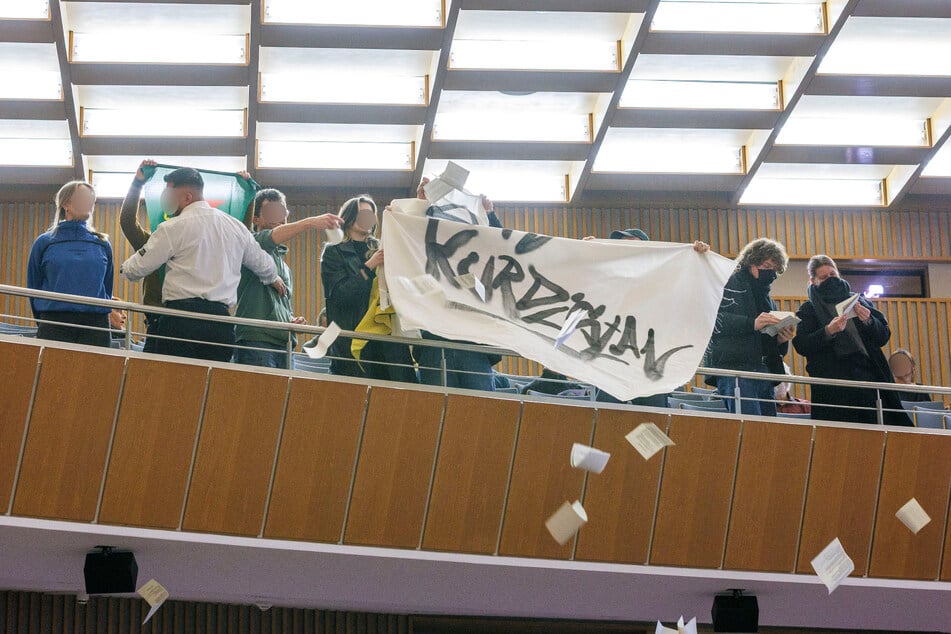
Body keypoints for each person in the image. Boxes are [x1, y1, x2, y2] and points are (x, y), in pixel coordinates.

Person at [120, 167, 284, 362]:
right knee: (212, 380)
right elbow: (265, 264)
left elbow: (135, 269)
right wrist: (273, 278)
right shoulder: (236, 227)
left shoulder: (172, 227)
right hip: (220, 324)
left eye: (169, 193)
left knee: (171, 379)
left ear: (187, 197)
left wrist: (124, 269)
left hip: (179, 321)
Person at [589, 227, 709, 407]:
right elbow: (586, 284)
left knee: (653, 418)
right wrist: (587, 253)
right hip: (614, 360)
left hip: (650, 362)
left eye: (633, 245)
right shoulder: (611, 276)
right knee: (605, 416)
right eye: (623, 246)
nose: (627, 250)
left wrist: (700, 258)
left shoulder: (664, 276)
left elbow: (692, 289)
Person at [792, 255, 910, 426]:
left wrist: (868, 321)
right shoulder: (809, 309)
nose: (830, 280)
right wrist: (828, 331)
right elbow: (802, 345)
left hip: (869, 375)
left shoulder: (858, 301)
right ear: (813, 280)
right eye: (824, 277)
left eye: (833, 275)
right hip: (834, 383)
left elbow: (883, 336)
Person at [233, 188, 343, 368]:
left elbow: (281, 304)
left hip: (284, 342)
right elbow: (272, 237)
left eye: (282, 211)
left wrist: (290, 319)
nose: (280, 217)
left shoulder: (284, 266)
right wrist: (310, 222)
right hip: (256, 338)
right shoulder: (252, 243)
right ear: (256, 219)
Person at [409, 178, 502, 391]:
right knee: (437, 407)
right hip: (435, 341)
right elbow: (409, 236)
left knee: (480, 407)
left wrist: (489, 215)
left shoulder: (476, 245)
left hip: (474, 342)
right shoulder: (428, 243)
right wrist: (420, 204)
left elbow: (502, 249)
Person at [321, 195, 416, 381]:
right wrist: (369, 266)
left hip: (388, 339)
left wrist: (398, 219)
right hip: (353, 339)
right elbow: (341, 295)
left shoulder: (384, 248)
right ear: (349, 217)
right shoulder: (334, 251)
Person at [706, 238, 793, 416]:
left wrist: (780, 340)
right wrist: (752, 323)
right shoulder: (728, 283)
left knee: (767, 428)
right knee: (750, 426)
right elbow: (713, 319)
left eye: (775, 269)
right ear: (751, 262)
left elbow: (766, 339)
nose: (771, 273)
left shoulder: (767, 297)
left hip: (763, 370)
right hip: (734, 369)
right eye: (767, 266)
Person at [27, 181, 113, 347]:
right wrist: (44, 319)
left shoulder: (102, 243)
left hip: (96, 322)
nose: (88, 203)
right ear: (65, 204)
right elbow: (34, 285)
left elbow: (107, 284)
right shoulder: (44, 242)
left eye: (91, 199)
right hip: (55, 320)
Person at [119, 159, 163, 352]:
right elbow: (128, 222)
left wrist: (247, 195)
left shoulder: (197, 244)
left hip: (188, 318)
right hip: (157, 318)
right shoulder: (152, 243)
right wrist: (137, 184)